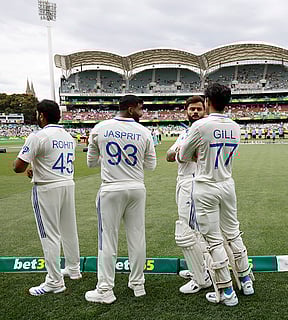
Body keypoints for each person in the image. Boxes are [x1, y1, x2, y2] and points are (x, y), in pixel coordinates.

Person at [178, 83, 254, 307]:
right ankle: (246, 280)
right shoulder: (235, 126)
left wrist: (198, 157)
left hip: (205, 185)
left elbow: (183, 156)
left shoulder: (200, 126)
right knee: (233, 234)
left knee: (213, 241)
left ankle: (227, 291)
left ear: (208, 101)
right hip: (227, 183)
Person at [85, 95, 157, 303]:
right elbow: (151, 166)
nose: (142, 111)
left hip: (111, 188)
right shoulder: (144, 131)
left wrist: (109, 159)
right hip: (136, 188)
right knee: (137, 237)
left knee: (107, 239)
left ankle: (105, 289)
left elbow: (91, 162)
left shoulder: (100, 128)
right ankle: (138, 283)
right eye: (140, 107)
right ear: (130, 108)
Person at [13, 99, 81, 296]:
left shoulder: (38, 136)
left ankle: (54, 281)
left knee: (49, 234)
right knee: (69, 230)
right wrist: (36, 169)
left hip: (46, 188)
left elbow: (18, 167)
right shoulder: (69, 137)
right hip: (67, 184)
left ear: (41, 115)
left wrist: (31, 168)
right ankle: (73, 269)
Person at [166, 96, 212, 294]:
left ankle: (201, 277)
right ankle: (198, 268)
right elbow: (169, 156)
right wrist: (181, 151)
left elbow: (194, 156)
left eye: (198, 109)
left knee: (192, 230)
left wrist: (181, 153)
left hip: (195, 182)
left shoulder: (205, 131)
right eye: (191, 109)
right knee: (190, 228)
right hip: (183, 181)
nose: (194, 112)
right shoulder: (186, 132)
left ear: (205, 110)